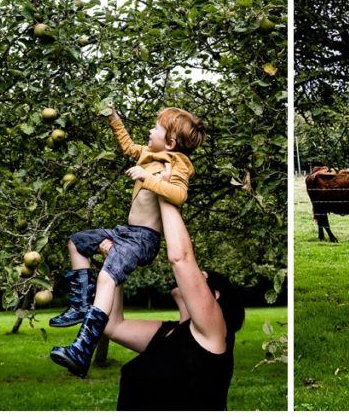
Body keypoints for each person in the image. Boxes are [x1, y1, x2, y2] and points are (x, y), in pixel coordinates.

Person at [50, 107, 205, 377]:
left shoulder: (178, 162)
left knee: (107, 278)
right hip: (126, 232)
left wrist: (148, 179)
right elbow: (128, 146)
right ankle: (80, 305)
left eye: (156, 128)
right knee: (77, 242)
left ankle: (82, 349)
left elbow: (179, 195)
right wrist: (114, 118)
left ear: (170, 142)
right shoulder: (149, 153)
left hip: (144, 238)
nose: (149, 131)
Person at [105, 198, 244, 410]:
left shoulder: (214, 332)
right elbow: (113, 326)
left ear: (214, 296)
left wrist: (166, 193)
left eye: (199, 277)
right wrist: (117, 265)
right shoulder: (168, 332)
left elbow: (181, 259)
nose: (189, 280)